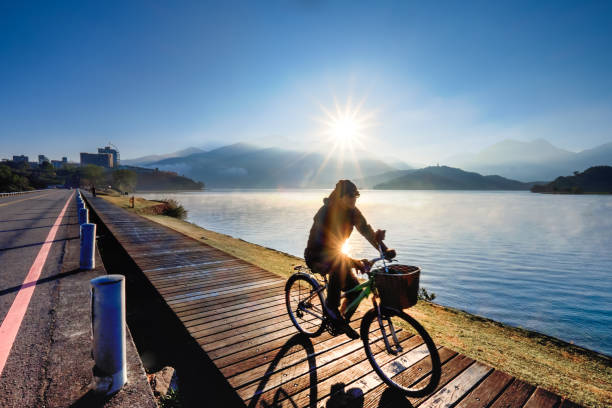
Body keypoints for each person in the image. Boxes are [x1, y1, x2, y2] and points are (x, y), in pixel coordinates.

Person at [304, 180, 395, 339]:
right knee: (339, 264)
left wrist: (384, 249)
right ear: (340, 197)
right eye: (351, 195)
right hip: (317, 256)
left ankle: (340, 321)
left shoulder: (353, 212)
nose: (354, 199)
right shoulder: (325, 213)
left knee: (357, 291)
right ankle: (331, 308)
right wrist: (353, 262)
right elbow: (328, 246)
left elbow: (367, 231)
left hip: (336, 256)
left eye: (356, 195)